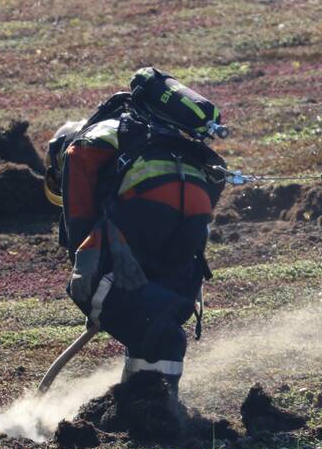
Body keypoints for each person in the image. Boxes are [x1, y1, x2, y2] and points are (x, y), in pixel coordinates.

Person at [48, 67, 227, 399]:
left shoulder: (84, 144)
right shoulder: (156, 134)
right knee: (154, 301)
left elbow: (80, 222)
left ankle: (154, 402)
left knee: (101, 285)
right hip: (193, 208)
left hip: (150, 200)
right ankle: (149, 399)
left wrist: (92, 282)